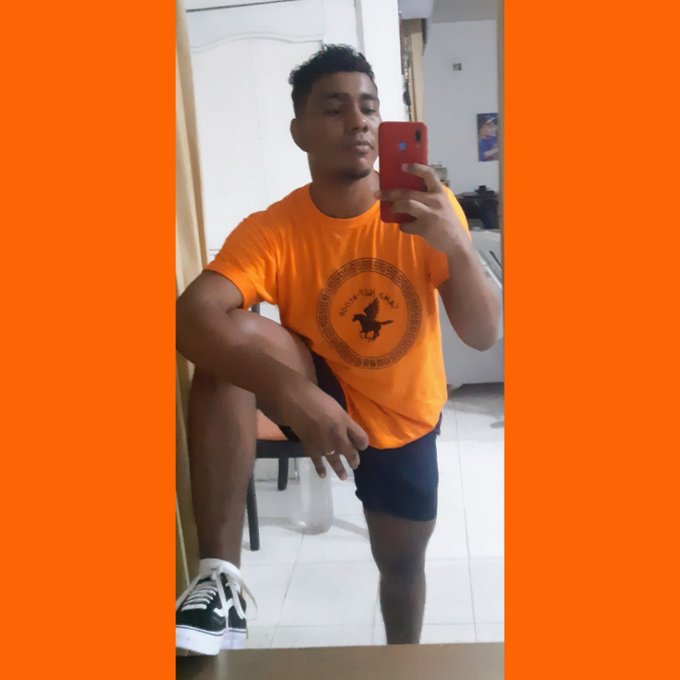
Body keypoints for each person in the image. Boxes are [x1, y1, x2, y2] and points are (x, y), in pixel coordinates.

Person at [175, 44, 500, 655]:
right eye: (335, 108)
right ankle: (219, 582)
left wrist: (456, 245)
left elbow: (483, 335)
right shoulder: (273, 228)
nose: (359, 122)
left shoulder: (426, 211)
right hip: (316, 380)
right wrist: (292, 392)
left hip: (403, 418)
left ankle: (402, 661)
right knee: (222, 356)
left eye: (369, 108)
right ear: (299, 131)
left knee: (400, 569)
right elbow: (189, 317)